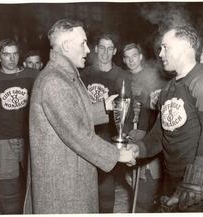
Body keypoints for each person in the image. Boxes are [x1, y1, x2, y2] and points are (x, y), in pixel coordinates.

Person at [23, 19, 135, 214]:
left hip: (70, 176)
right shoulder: (54, 81)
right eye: (83, 43)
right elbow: (76, 133)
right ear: (67, 46)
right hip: (63, 186)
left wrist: (104, 107)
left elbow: (71, 115)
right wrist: (117, 154)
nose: (88, 50)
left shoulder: (64, 75)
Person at [127, 25, 203, 212]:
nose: (160, 54)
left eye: (165, 47)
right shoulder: (169, 88)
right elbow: (160, 134)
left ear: (184, 47)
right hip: (173, 175)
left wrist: (195, 179)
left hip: (200, 178)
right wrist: (139, 148)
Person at [0, 38, 39, 214]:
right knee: (9, 189)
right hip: (2, 139)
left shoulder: (33, 75)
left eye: (15, 54)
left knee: (37, 185)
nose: (11, 59)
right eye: (6, 54)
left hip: (30, 138)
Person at [80, 33, 132, 213]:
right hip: (86, 134)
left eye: (110, 48)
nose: (105, 52)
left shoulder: (122, 75)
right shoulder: (84, 73)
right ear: (95, 49)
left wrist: (124, 136)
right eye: (102, 47)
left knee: (106, 186)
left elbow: (127, 110)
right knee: (84, 185)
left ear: (115, 51)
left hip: (109, 136)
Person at [122, 42, 167, 212]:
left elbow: (159, 106)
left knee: (146, 190)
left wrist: (144, 97)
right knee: (133, 184)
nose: (131, 60)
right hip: (129, 136)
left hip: (148, 138)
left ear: (140, 56)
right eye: (127, 57)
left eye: (134, 56)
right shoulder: (124, 77)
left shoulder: (152, 76)